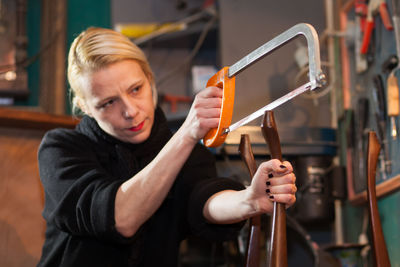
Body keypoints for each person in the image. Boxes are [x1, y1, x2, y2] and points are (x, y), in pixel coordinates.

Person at [37, 27, 297, 267]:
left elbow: (203, 200)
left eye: (136, 89)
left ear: (150, 80)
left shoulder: (184, 152)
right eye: (108, 103)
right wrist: (185, 134)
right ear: (84, 107)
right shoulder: (61, 150)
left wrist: (248, 200)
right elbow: (121, 219)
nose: (130, 111)